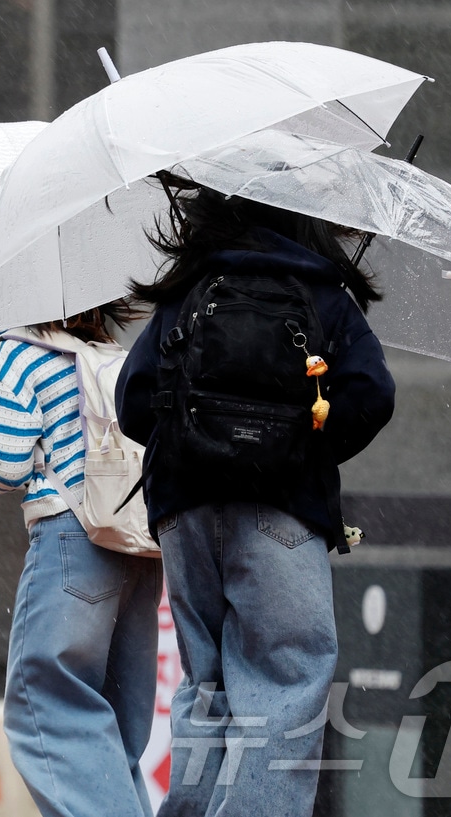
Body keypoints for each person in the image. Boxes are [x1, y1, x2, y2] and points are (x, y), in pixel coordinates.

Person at [115, 175, 395, 817]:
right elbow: (373, 395)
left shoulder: (189, 288)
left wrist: (200, 441)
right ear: (303, 216)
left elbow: (134, 401)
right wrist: (303, 443)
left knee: (206, 687)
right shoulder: (322, 293)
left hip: (185, 510)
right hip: (281, 507)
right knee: (284, 683)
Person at [0, 303, 161, 817]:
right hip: (137, 547)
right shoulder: (112, 351)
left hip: (71, 541)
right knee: (115, 737)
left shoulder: (14, 350)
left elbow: (8, 467)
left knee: (45, 708)